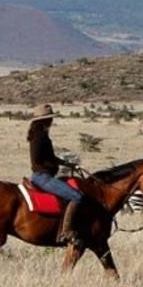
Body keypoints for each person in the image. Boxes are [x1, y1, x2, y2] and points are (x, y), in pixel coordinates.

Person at [25, 104, 86, 244]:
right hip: (43, 177)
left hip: (45, 175)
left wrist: (68, 164)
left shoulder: (40, 134)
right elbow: (38, 159)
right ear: (43, 120)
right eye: (49, 118)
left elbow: (51, 157)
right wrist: (51, 164)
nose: (52, 121)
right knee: (76, 196)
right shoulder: (39, 136)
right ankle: (67, 231)